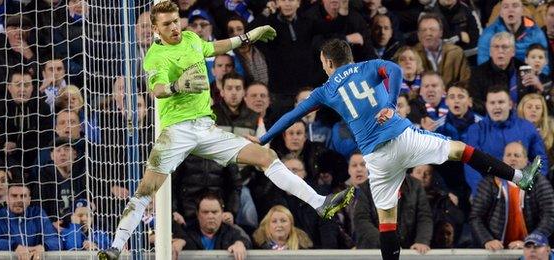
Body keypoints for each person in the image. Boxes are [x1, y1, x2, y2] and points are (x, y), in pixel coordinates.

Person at [97, 2, 352, 259]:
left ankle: (320, 203)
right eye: (166, 24)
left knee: (266, 157)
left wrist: (247, 37)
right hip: (176, 131)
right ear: (155, 28)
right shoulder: (155, 56)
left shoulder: (189, 38)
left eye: (175, 21)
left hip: (206, 128)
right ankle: (116, 246)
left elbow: (212, 47)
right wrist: (178, 85)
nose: (174, 27)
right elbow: (158, 89)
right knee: (146, 188)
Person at [257, 38, 543, 260]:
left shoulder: (326, 89)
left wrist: (263, 139)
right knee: (460, 150)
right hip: (403, 137)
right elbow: (393, 69)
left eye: (322, 63)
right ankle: (520, 178)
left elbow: (292, 116)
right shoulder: (368, 66)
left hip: (377, 157)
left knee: (387, 219)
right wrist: (390, 105)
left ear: (329, 63)